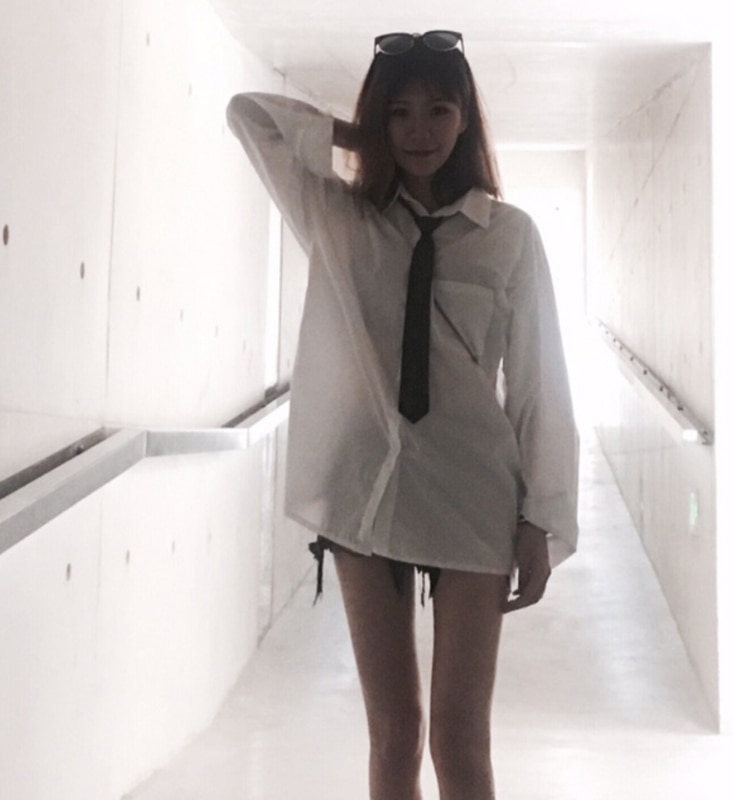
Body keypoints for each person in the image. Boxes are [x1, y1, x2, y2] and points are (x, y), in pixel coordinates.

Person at [227, 29, 578, 800]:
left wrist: (541, 516)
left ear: (466, 119)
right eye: (401, 112)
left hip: (472, 492)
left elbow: (538, 383)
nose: (420, 130)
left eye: (438, 110)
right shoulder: (344, 220)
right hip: (366, 491)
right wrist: (359, 136)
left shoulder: (508, 236)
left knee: (459, 740)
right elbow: (249, 115)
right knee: (394, 735)